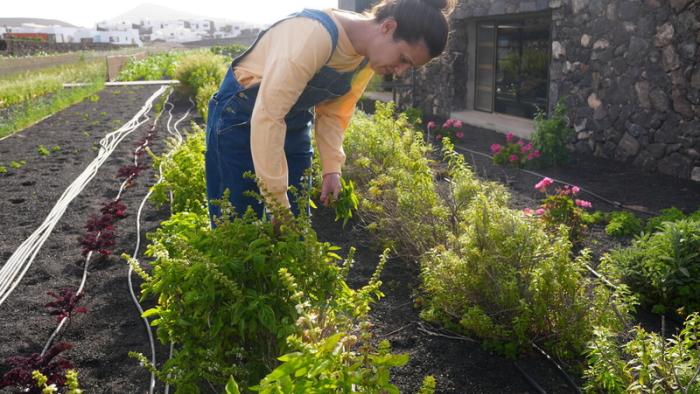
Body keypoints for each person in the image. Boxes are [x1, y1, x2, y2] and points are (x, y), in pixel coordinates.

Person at [205, 0, 454, 224]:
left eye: (408, 67)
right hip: (240, 117)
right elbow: (268, 115)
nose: (399, 71)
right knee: (237, 223)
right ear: (388, 27)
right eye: (403, 58)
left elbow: (335, 113)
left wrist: (332, 168)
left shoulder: (367, 59)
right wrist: (277, 205)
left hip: (290, 119)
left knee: (296, 223)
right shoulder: (314, 35)